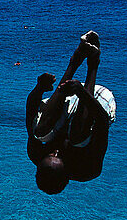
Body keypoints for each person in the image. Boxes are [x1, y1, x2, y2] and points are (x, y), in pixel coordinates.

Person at [26, 31, 116, 194]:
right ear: (68, 173)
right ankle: (93, 61)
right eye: (59, 156)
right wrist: (82, 92)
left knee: (39, 132)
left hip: (66, 107)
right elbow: (102, 122)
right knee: (77, 137)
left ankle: (75, 60)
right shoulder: (89, 169)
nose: (57, 150)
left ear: (39, 164)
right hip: (98, 101)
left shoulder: (35, 153)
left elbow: (30, 111)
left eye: (51, 153)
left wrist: (39, 88)